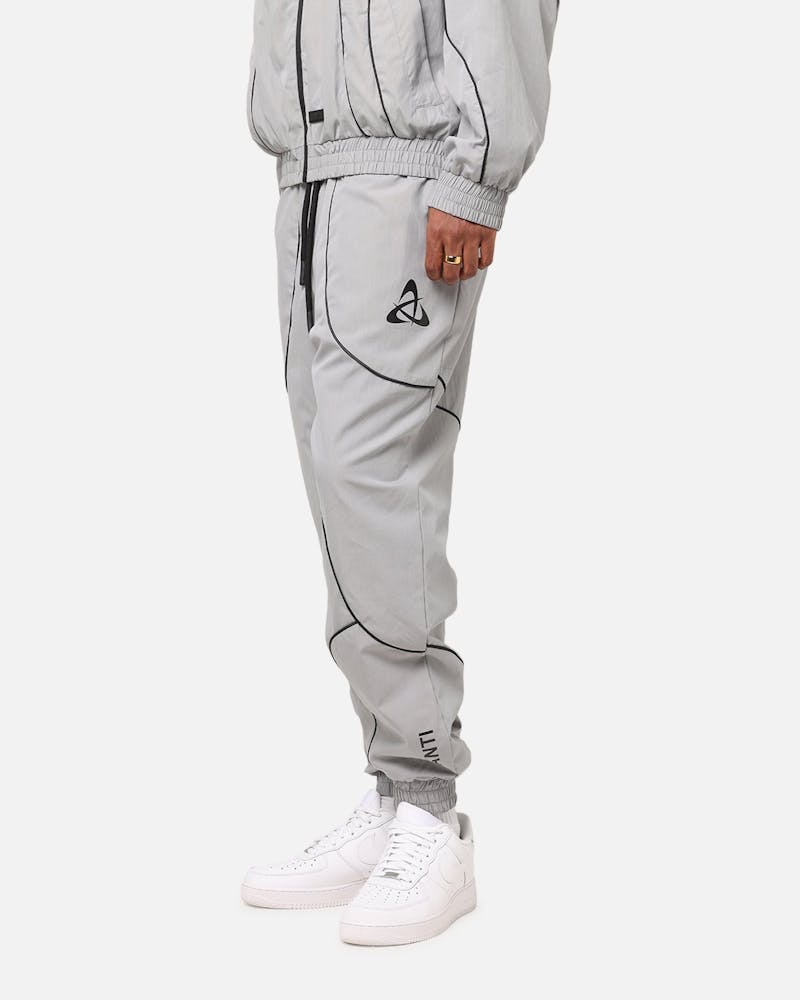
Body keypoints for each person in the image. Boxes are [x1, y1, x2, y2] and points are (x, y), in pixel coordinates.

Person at [241, 0, 558, 946]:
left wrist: (476, 173)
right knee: (335, 486)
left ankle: (428, 805)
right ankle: (391, 792)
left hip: (407, 174)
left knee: (370, 477)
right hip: (312, 175)